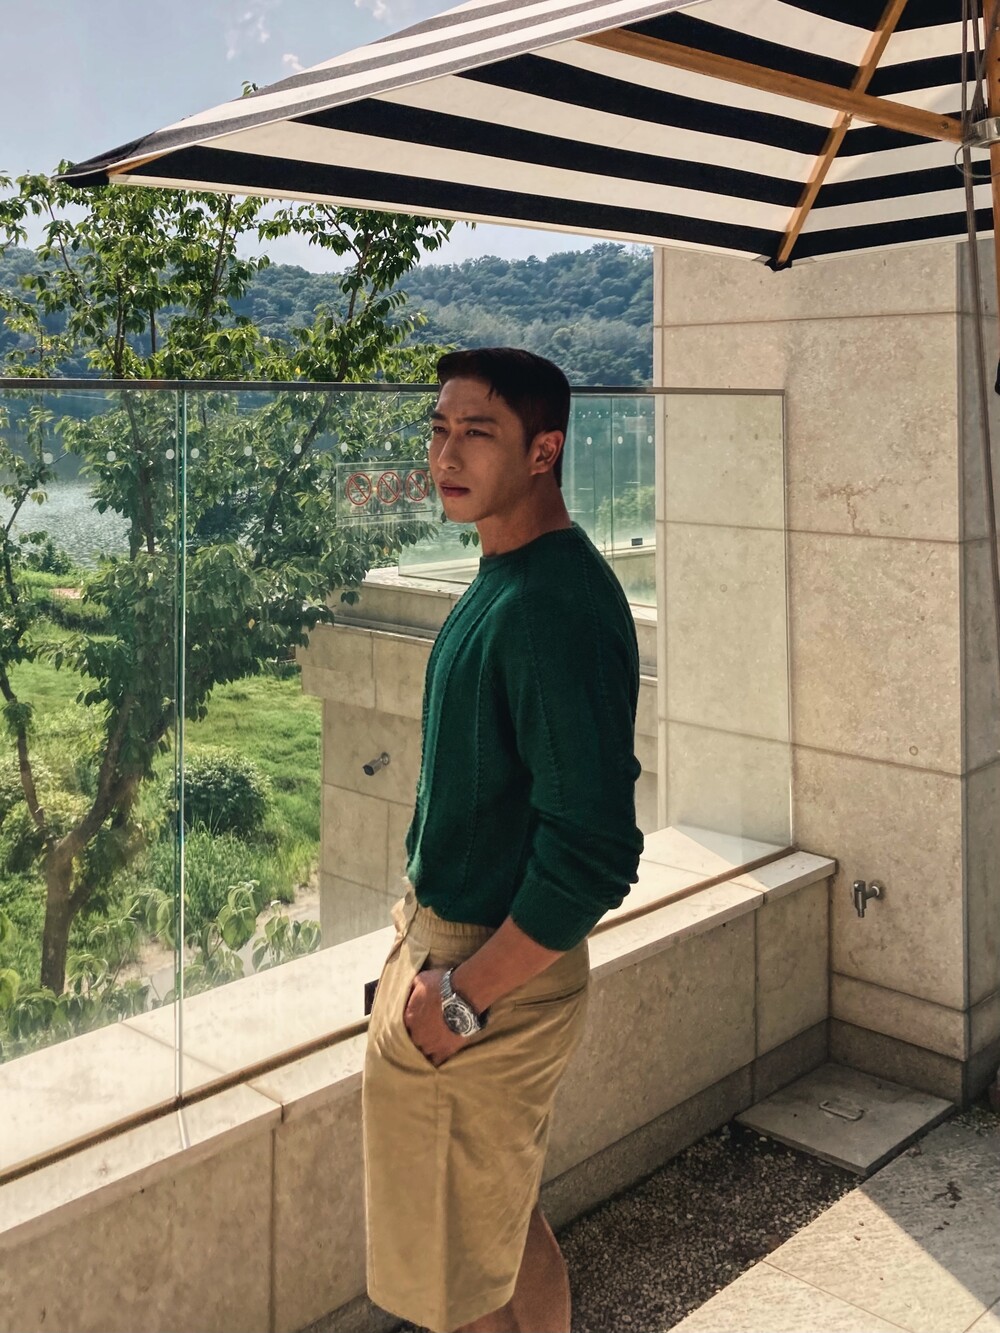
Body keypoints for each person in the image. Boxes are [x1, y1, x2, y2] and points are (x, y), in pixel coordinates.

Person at [362, 347, 643, 1333]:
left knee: (460, 1274)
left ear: (543, 450)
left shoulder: (549, 607)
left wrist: (461, 997)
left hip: (487, 971)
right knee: (498, 1227)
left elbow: (594, 850)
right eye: (438, 429)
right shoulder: (514, 574)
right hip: (462, 954)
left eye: (477, 432)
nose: (446, 454)